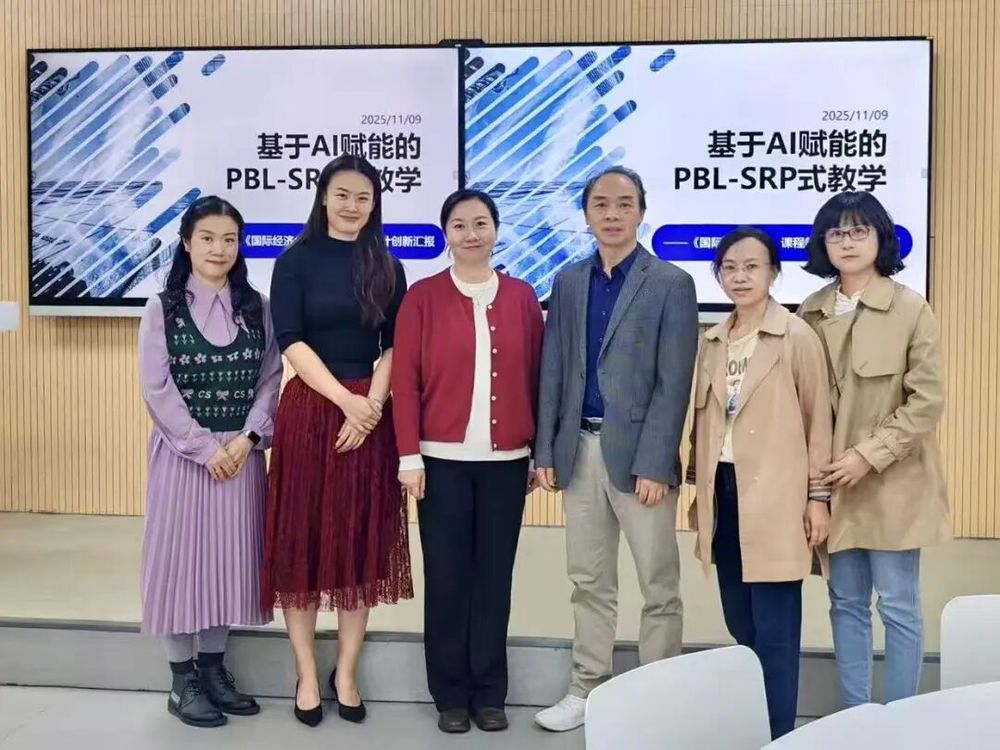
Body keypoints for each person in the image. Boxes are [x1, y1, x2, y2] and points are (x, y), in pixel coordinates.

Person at [533, 166, 699, 732]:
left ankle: (657, 696)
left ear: (641, 212)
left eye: (624, 203)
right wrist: (545, 451)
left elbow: (674, 382)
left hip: (640, 458)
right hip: (578, 449)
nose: (612, 214)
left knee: (659, 584)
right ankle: (587, 687)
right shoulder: (568, 280)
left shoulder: (671, 282)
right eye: (600, 204)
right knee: (588, 580)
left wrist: (656, 461)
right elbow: (554, 369)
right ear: (585, 214)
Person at [260, 154, 412, 727]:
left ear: (375, 205)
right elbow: (292, 341)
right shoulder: (294, 261)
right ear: (323, 195)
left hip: (369, 415)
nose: (352, 205)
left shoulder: (388, 265)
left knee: (358, 543)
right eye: (343, 194)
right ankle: (305, 672)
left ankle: (345, 672)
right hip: (311, 411)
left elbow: (395, 345)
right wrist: (347, 402)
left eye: (363, 197)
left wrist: (370, 407)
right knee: (301, 541)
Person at [391, 189, 544, 734]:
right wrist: (409, 455)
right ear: (446, 235)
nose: (471, 234)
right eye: (459, 225)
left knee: (494, 580)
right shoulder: (423, 297)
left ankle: (490, 692)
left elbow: (539, 377)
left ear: (496, 230)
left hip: (508, 463)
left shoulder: (522, 296)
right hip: (440, 463)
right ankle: (451, 694)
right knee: (448, 579)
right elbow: (405, 382)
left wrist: (538, 453)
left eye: (481, 223)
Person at [798, 191, 950, 707]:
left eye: (858, 231)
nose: (847, 242)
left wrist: (870, 454)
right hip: (833, 483)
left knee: (899, 605)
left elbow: (927, 400)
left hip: (893, 481)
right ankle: (856, 717)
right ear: (823, 243)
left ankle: (902, 719)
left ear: (880, 238)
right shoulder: (810, 312)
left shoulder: (910, 307)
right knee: (844, 602)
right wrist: (816, 489)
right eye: (836, 233)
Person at [138, 195, 282, 728]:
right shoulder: (162, 308)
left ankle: (214, 669)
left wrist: (248, 438)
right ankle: (182, 682)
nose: (219, 249)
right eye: (207, 238)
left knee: (229, 563)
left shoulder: (257, 307)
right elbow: (156, 389)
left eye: (229, 239)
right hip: (185, 457)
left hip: (242, 457)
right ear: (186, 243)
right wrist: (205, 448)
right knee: (179, 566)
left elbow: (271, 377)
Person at [686, 227, 833, 739]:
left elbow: (819, 422)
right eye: (729, 267)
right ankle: (753, 724)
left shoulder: (796, 337)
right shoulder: (712, 341)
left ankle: (778, 734)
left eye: (752, 266)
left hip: (776, 496)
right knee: (740, 620)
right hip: (723, 494)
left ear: (773, 272)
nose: (740, 276)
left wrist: (818, 497)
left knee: (775, 630)